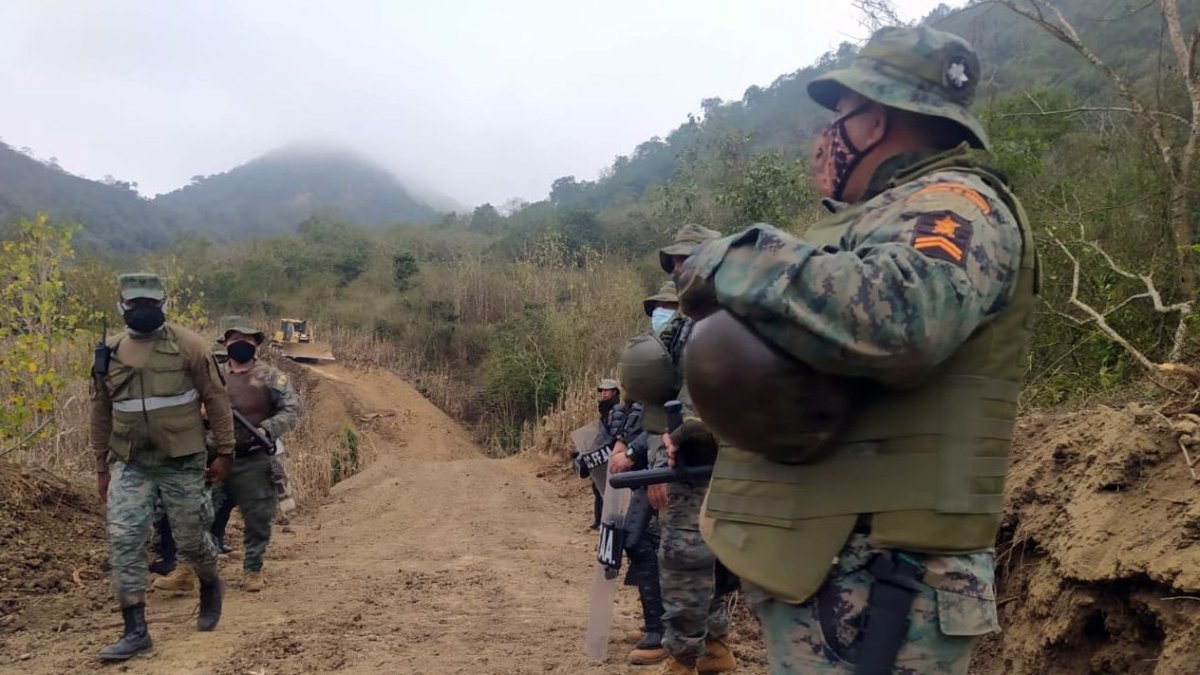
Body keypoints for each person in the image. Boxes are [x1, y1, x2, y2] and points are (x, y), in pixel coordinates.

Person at [675, 26, 1037, 674]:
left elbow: (904, 317)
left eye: (839, 115)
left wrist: (734, 258)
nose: (827, 135)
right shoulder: (884, 215)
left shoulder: (956, 204)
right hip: (841, 566)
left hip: (884, 578)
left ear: (872, 122)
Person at [89, 273, 235, 661]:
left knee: (190, 537)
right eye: (134, 304)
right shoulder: (110, 352)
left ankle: (209, 581)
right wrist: (101, 466)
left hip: (182, 460)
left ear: (162, 304)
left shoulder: (189, 346)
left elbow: (216, 399)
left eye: (149, 304)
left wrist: (225, 451)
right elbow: (100, 409)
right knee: (123, 538)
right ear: (122, 305)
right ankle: (135, 630)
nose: (141, 310)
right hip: (131, 462)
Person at [615, 237, 738, 675]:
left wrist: (684, 435)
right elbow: (655, 395)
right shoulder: (684, 323)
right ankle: (713, 649)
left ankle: (685, 660)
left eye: (689, 261)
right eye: (675, 263)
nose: (679, 270)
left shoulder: (734, 319)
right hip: (685, 458)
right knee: (696, 557)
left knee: (687, 559)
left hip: (712, 459)